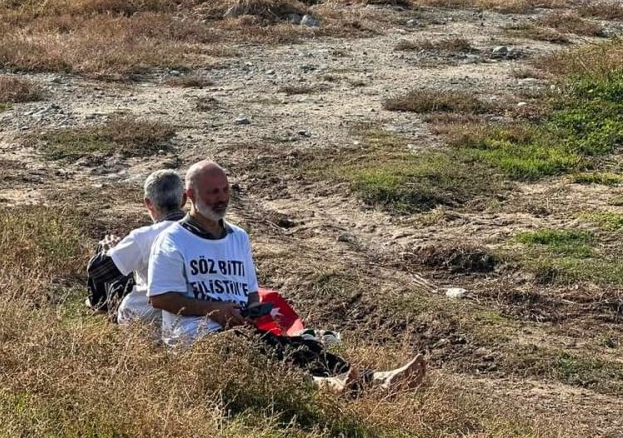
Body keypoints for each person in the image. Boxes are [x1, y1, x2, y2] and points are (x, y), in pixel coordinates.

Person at [148, 160, 426, 393]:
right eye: (212, 192)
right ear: (189, 196)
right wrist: (213, 311)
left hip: (239, 331)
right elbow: (160, 297)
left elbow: (250, 293)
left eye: (225, 190)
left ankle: (376, 379)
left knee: (301, 349)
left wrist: (251, 312)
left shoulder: (238, 237)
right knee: (249, 354)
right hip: (196, 341)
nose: (221, 198)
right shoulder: (172, 240)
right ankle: (330, 388)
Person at [86, 168, 186, 327]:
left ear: (148, 203)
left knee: (108, 255)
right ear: (184, 199)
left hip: (144, 319)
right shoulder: (205, 232)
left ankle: (99, 308)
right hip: (190, 318)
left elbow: (98, 271)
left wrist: (109, 250)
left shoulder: (145, 237)